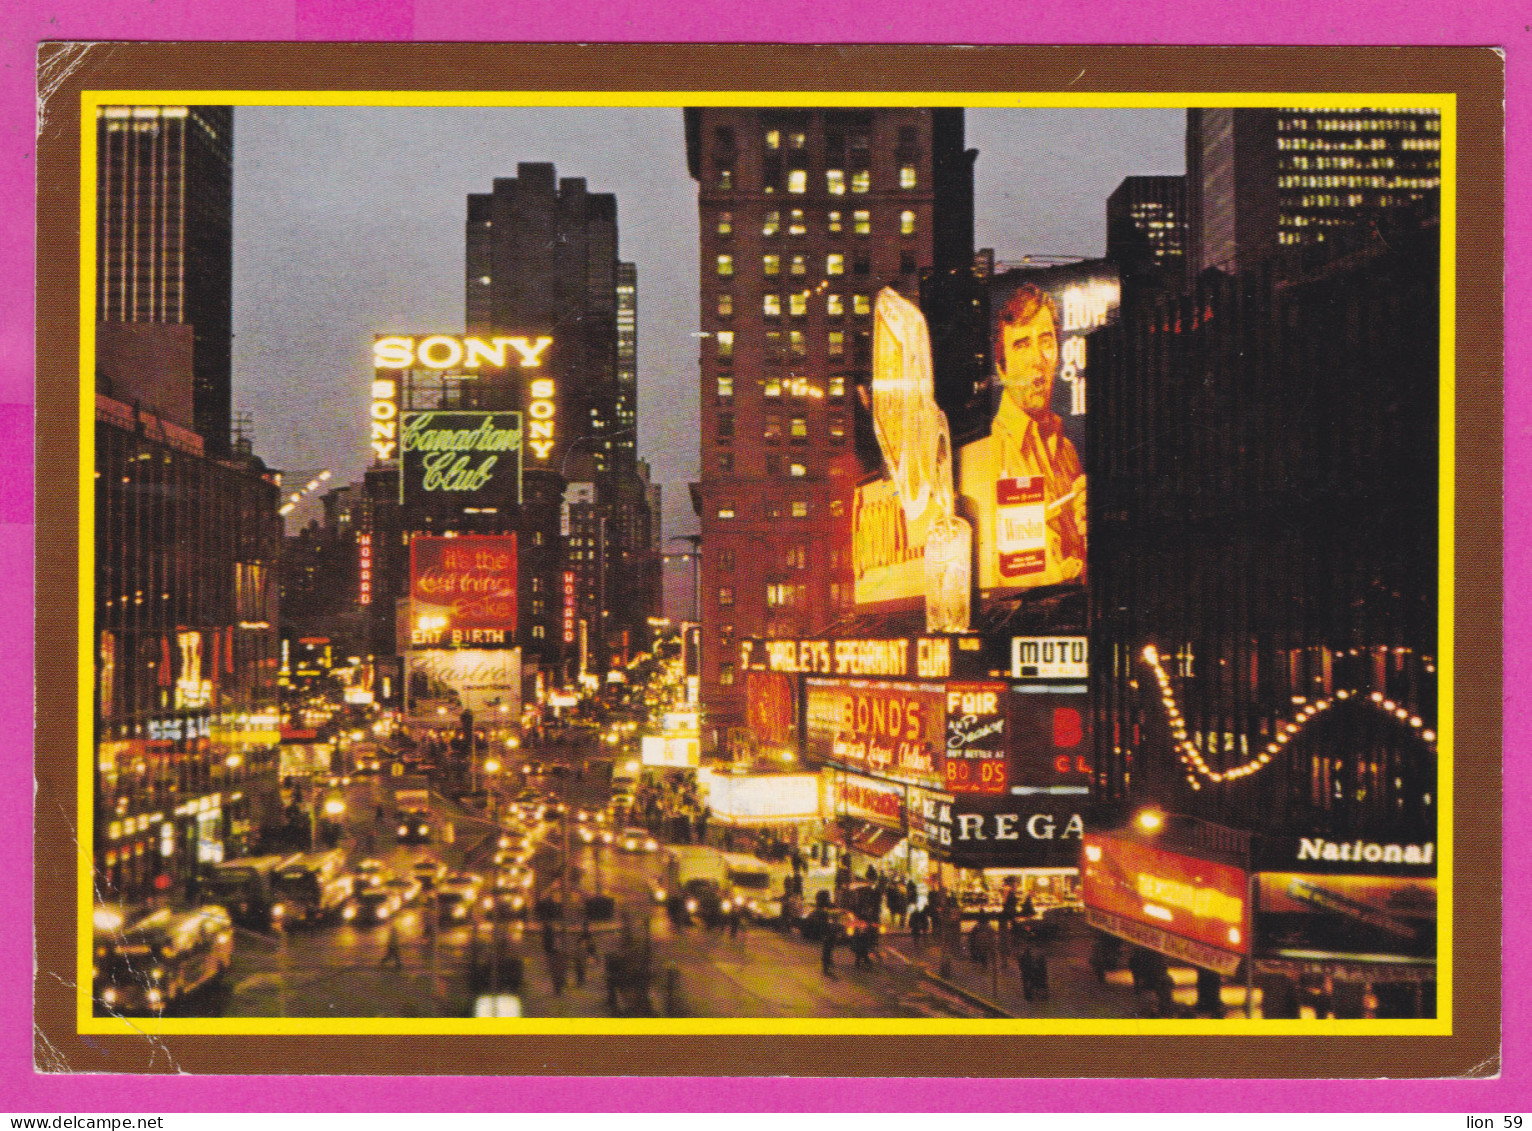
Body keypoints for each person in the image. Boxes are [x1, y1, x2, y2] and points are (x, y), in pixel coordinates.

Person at [958, 281, 1087, 589]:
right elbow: (1035, 575)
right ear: (1001, 370)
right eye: (1021, 345)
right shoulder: (989, 454)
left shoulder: (1066, 449)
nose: (1036, 360)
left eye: (1045, 341)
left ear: (1057, 353)